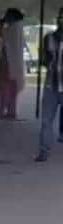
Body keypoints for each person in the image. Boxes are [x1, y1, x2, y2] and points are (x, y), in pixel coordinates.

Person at [37, 8, 63, 162]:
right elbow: (42, 59)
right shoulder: (49, 38)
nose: (61, 20)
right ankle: (44, 151)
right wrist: (50, 61)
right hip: (51, 86)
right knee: (46, 121)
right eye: (60, 17)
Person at [0, 8, 26, 119]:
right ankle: (11, 111)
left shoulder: (13, 28)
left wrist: (1, 23)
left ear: (12, 16)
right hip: (14, 63)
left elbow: (2, 35)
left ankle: (2, 111)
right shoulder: (18, 27)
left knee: (3, 87)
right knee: (12, 87)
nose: (6, 17)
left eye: (7, 15)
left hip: (7, 62)